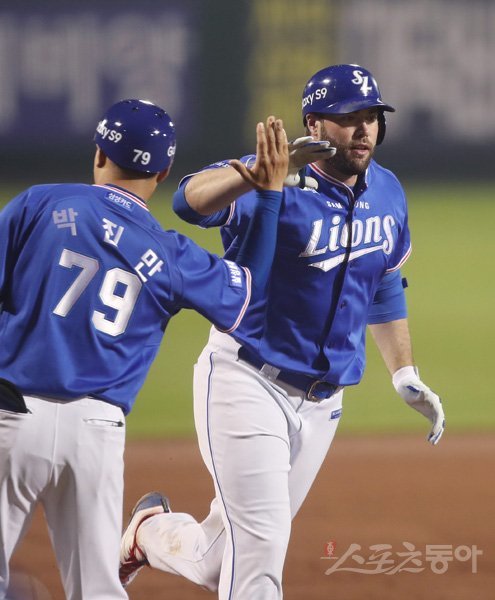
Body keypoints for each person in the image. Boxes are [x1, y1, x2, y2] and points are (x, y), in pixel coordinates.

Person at [119, 65, 446, 599]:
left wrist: (404, 372)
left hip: (323, 405)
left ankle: (148, 533)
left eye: (372, 117)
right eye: (349, 118)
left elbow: (384, 282)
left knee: (218, 558)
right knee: (260, 560)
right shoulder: (274, 180)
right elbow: (186, 200)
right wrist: (258, 175)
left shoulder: (387, 190)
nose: (364, 129)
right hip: (248, 383)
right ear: (314, 124)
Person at [0, 99, 289, 600]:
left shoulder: (40, 204)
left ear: (98, 154)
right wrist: (268, 196)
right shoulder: (172, 255)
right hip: (97, 434)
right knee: (98, 590)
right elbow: (248, 292)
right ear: (163, 172)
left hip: (11, 418)